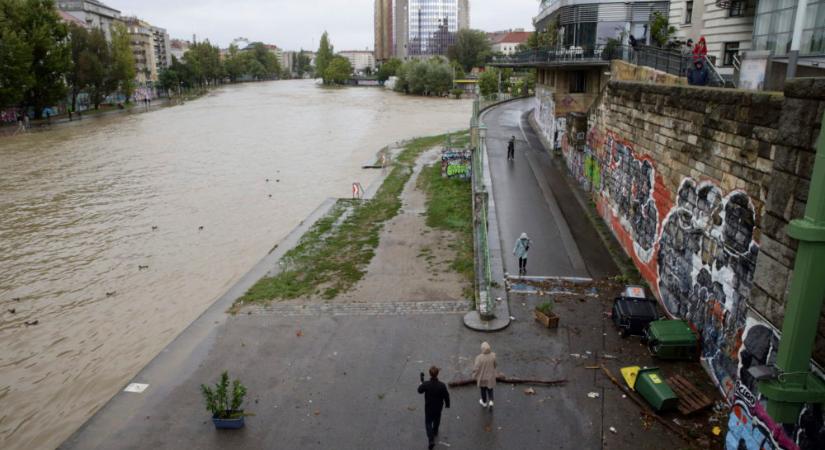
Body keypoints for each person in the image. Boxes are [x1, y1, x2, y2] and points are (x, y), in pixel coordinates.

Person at [418, 366, 450, 450]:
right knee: (437, 419)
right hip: (438, 407)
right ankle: (435, 431)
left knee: (428, 423)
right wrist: (447, 404)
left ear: (430, 374)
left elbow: (419, 390)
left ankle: (431, 440)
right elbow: (446, 396)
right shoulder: (442, 385)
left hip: (429, 407)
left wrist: (421, 382)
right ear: (437, 374)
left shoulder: (426, 384)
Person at [472, 342, 497, 409]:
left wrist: (474, 375)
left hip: (482, 377)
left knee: (483, 390)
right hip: (490, 377)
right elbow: (495, 365)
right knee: (490, 389)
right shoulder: (493, 355)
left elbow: (476, 368)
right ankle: (491, 401)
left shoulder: (479, 358)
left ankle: (484, 402)